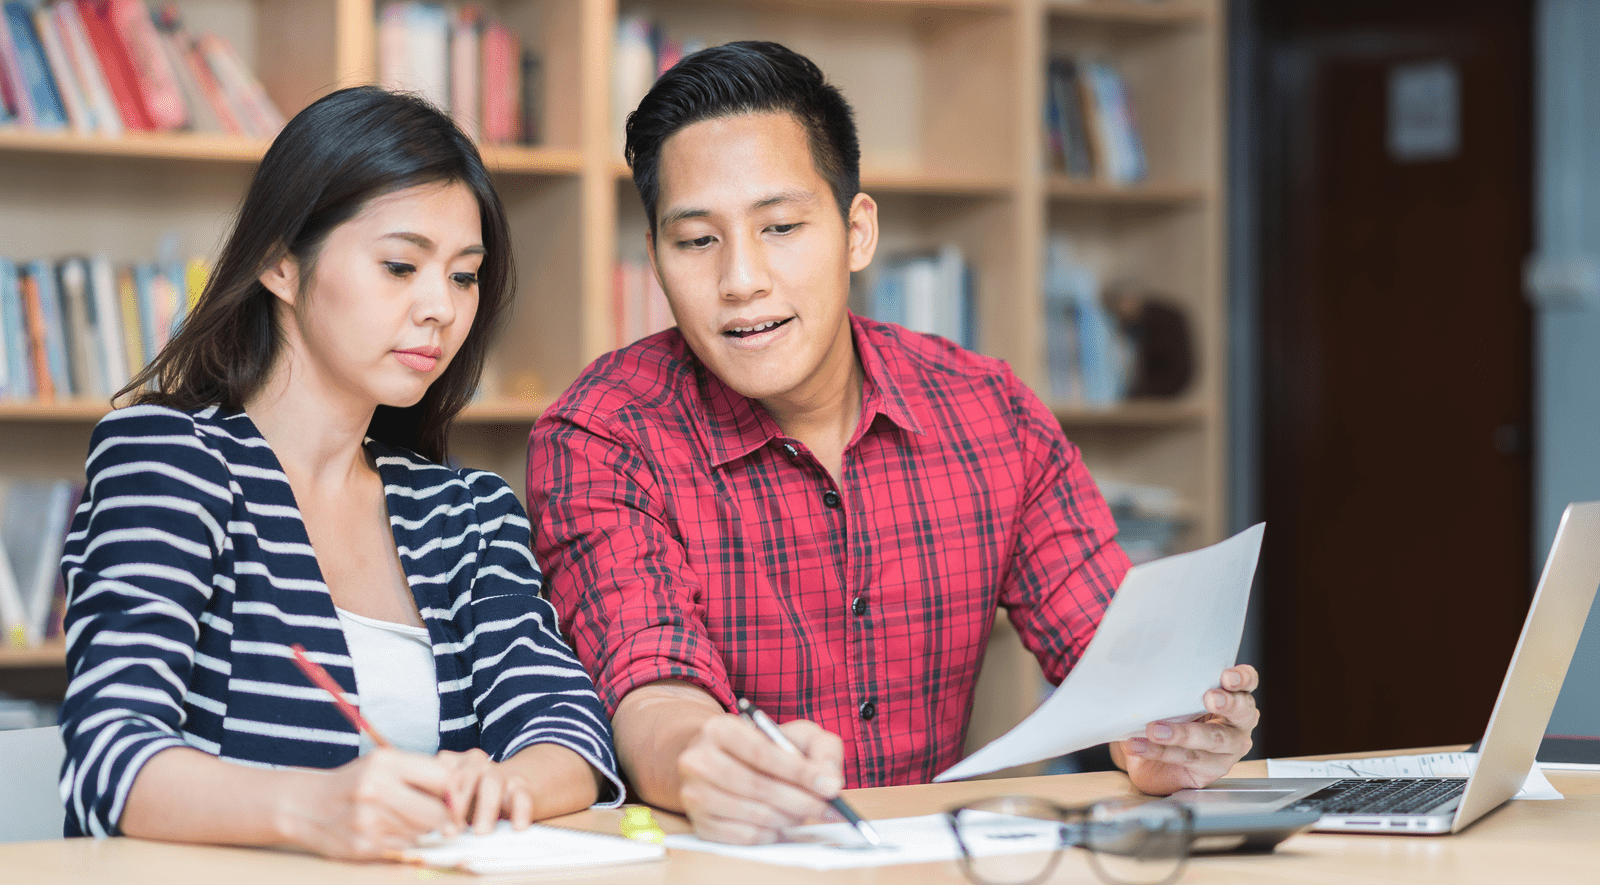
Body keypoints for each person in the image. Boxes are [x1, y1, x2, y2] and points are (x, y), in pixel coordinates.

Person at [526, 42, 1258, 845]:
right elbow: (652, 687)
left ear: (856, 231)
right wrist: (706, 757)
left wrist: (1165, 734)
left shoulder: (989, 412)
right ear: (657, 259)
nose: (741, 280)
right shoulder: (602, 434)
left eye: (780, 226)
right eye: (697, 240)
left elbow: (1115, 660)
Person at [57, 86, 622, 857]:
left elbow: (566, 727)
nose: (441, 309)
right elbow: (109, 757)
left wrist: (508, 785)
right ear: (278, 264)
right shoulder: (167, 459)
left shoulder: (469, 510)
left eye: (464, 276)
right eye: (400, 265)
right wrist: (314, 806)